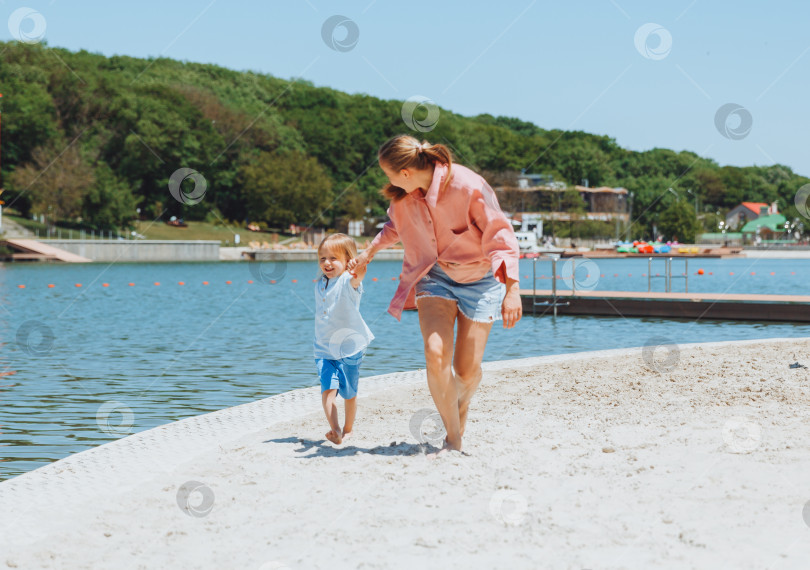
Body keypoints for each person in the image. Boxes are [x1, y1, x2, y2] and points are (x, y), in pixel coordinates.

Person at [348, 134, 521, 455]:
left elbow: (500, 234)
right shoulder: (404, 196)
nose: (388, 182)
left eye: (388, 175)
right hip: (434, 276)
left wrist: (512, 288)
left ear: (405, 173)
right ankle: (453, 438)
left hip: (481, 280)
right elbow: (395, 227)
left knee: (467, 371)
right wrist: (367, 254)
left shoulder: (468, 186)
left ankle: (459, 412)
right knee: (435, 353)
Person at [314, 233, 374, 445]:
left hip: (349, 348)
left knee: (349, 393)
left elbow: (359, 275)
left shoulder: (349, 281)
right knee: (327, 390)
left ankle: (348, 429)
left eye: (333, 258)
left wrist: (359, 266)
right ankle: (336, 429)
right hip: (324, 349)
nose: (327, 263)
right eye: (322, 258)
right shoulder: (321, 284)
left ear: (348, 261)